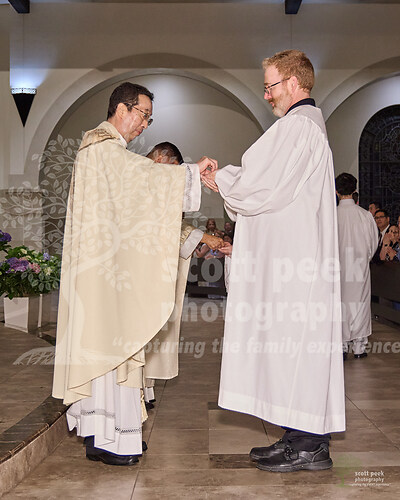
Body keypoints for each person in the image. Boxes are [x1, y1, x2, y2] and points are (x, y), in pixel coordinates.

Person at [52, 83, 217, 466]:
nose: (144, 124)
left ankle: (101, 436)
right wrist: (192, 172)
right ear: (123, 109)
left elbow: (134, 197)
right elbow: (144, 179)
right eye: (143, 115)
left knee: (109, 348)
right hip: (105, 277)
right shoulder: (102, 149)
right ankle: (112, 440)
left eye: (148, 119)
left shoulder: (102, 151)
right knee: (114, 348)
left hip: (106, 272)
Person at [202, 50, 345, 473]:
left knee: (294, 348)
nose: (266, 95)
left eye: (270, 86)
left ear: (294, 83)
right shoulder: (305, 127)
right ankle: (299, 437)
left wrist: (220, 177)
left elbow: (260, 186)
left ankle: (309, 445)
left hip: (295, 270)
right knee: (291, 350)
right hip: (295, 261)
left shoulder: (298, 127)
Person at [143, 142, 223, 395]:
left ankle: (145, 386)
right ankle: (140, 387)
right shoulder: (141, 176)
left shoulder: (152, 182)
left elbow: (168, 223)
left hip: (153, 266)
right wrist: (203, 237)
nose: (173, 178)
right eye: (173, 170)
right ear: (160, 159)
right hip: (140, 269)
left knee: (155, 326)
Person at [335, 173, 378, 360]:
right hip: (359, 267)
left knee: (340, 303)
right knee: (360, 304)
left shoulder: (331, 216)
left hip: (336, 269)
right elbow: (373, 243)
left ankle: (342, 345)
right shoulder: (365, 215)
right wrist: (365, 258)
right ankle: (360, 347)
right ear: (354, 190)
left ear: (336, 192)